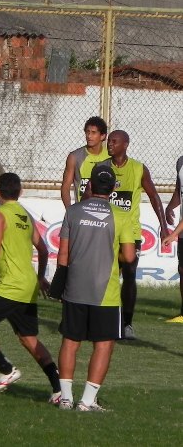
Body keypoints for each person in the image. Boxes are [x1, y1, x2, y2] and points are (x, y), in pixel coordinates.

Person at [0, 173, 61, 402]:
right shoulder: (25, 215)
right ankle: (59, 390)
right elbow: (44, 249)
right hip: (28, 285)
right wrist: (40, 278)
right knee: (29, 339)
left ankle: (6, 370)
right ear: (20, 192)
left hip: (10, 285)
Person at [56, 165, 136, 412]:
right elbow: (130, 256)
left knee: (70, 341)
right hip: (106, 292)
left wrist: (60, 287)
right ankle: (87, 401)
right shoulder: (122, 216)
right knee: (103, 344)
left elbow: (63, 256)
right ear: (113, 189)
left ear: (89, 185)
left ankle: (66, 399)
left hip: (75, 287)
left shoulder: (73, 212)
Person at [96, 130, 169, 339]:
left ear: (125, 144)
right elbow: (90, 195)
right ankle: (102, 319)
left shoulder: (138, 168)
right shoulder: (102, 168)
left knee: (129, 274)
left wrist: (163, 226)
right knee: (103, 276)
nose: (110, 144)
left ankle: (127, 324)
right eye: (109, 140)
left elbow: (154, 196)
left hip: (130, 232)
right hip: (106, 230)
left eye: (114, 141)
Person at [60, 116, 108, 209]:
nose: (89, 136)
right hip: (82, 210)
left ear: (103, 136)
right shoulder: (74, 157)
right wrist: (70, 211)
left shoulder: (110, 157)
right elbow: (65, 187)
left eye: (93, 133)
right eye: (87, 132)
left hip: (105, 211)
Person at [163, 154, 183, 323]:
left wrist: (173, 233)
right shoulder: (181, 162)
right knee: (182, 269)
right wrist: (170, 206)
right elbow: (179, 189)